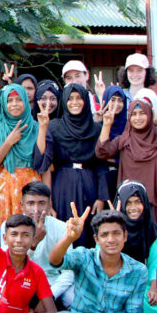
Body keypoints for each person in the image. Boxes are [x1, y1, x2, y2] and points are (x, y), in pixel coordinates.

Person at [35, 83, 108, 246]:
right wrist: (49, 201)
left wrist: (102, 197)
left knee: (88, 230)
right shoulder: (54, 127)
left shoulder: (95, 129)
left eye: (79, 98)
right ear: (64, 102)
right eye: (70, 98)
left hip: (90, 185)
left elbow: (101, 164)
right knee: (63, 230)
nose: (74, 102)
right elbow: (42, 162)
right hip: (62, 185)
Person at [97, 99, 157, 232]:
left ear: (149, 115)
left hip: (153, 207)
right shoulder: (124, 140)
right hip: (127, 207)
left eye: (142, 113)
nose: (137, 118)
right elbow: (102, 152)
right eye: (133, 114)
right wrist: (106, 125)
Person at [5, 182, 76, 309]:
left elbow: (68, 271)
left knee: (73, 300)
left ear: (49, 205)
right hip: (21, 279)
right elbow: (9, 265)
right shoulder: (10, 226)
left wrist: (51, 295)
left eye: (41, 203)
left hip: (54, 280)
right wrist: (34, 242)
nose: (36, 209)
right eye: (31, 203)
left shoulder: (61, 227)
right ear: (22, 205)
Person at [0, 84, 41, 221]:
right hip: (4, 190)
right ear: (3, 104)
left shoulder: (36, 128)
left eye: (19, 99)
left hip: (32, 191)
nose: (15, 104)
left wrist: (48, 199)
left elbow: (45, 168)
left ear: (26, 102)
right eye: (9, 100)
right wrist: (8, 142)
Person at [116, 181, 157, 313]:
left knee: (152, 308)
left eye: (138, 202)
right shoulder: (112, 228)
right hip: (114, 283)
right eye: (128, 203)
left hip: (141, 283)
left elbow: (155, 264)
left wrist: (154, 289)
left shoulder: (151, 230)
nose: (133, 208)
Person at [117, 53, 157, 122]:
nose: (135, 74)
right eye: (131, 70)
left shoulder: (156, 100)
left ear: (147, 72)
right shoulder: (119, 97)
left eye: (139, 70)